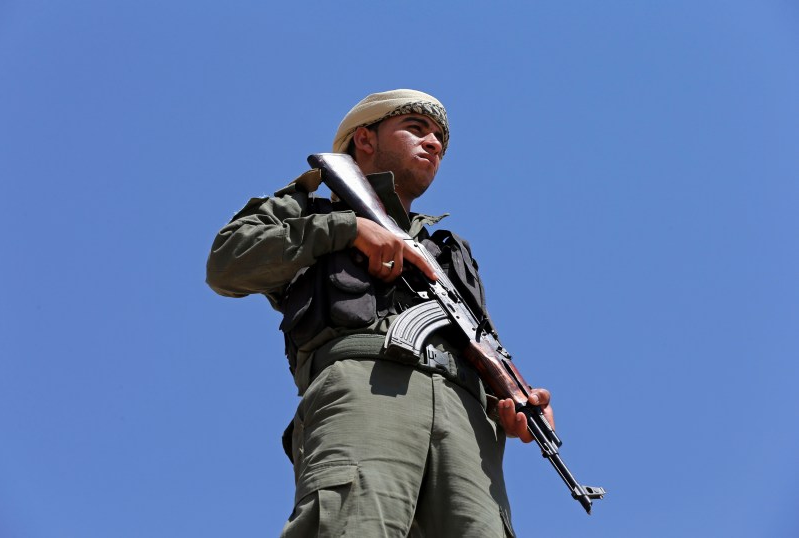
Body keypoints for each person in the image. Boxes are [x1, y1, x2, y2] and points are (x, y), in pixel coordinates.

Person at [206, 89, 553, 537]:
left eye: (440, 142)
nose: (433, 144)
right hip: (369, 390)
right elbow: (227, 262)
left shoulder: (447, 254)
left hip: (467, 424)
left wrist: (518, 399)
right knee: (356, 525)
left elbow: (481, 342)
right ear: (365, 140)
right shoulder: (317, 209)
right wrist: (346, 229)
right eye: (415, 129)